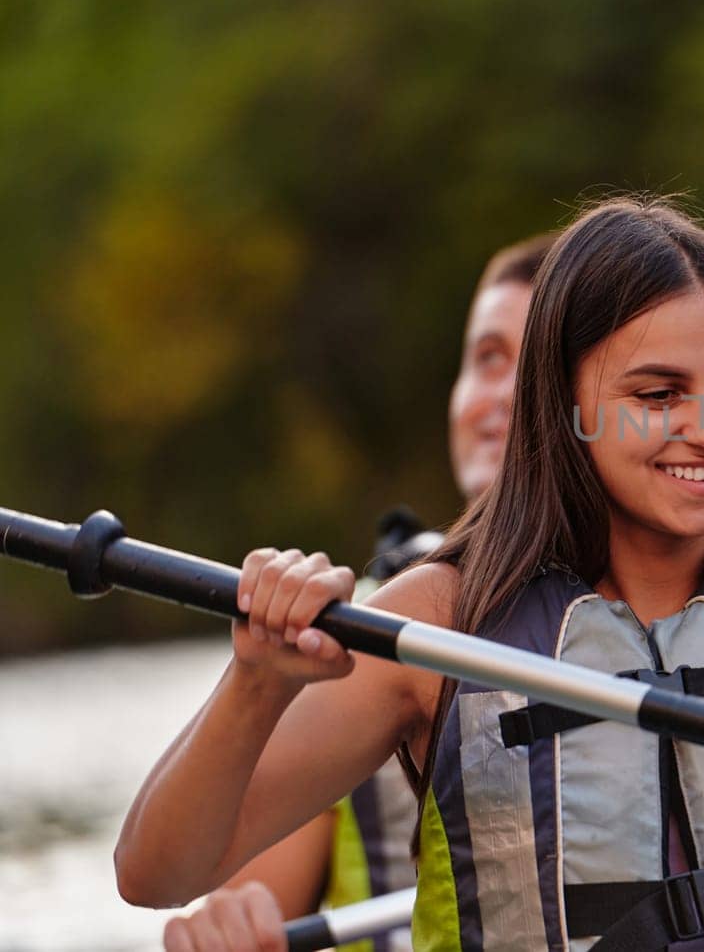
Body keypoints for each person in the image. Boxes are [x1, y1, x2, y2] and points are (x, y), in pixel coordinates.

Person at [118, 196, 704, 951]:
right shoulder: (436, 625)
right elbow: (156, 874)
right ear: (562, 405)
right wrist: (255, 682)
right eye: (656, 395)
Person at [157, 237, 549, 952]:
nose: (504, 394)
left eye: (536, 365)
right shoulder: (355, 635)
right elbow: (179, 874)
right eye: (486, 358)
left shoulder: (676, 606)